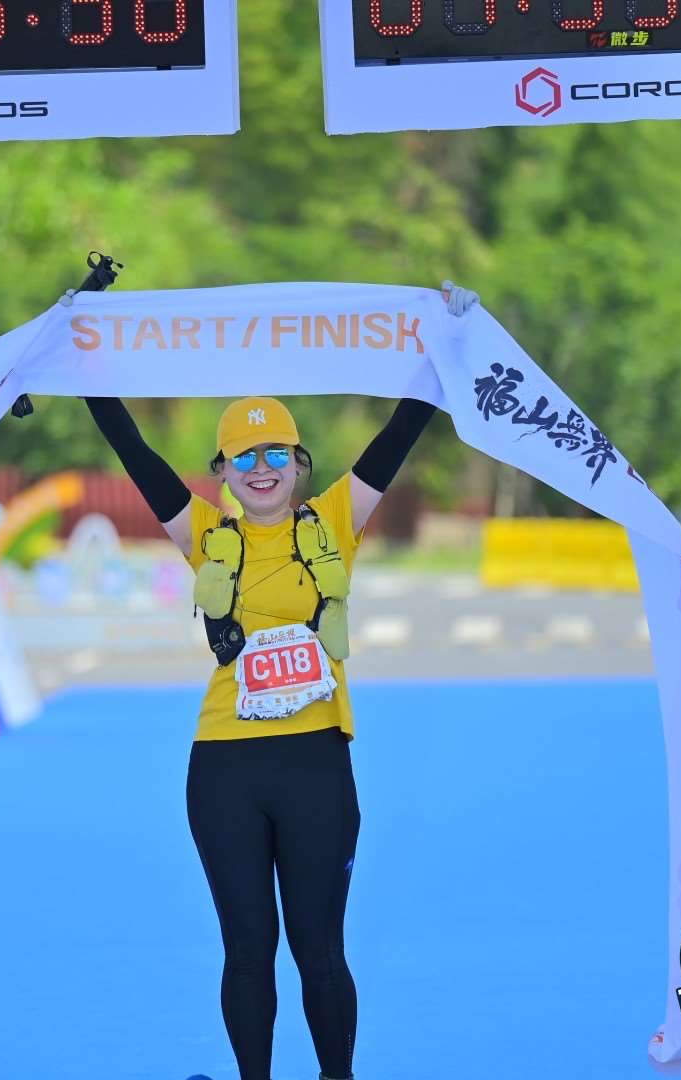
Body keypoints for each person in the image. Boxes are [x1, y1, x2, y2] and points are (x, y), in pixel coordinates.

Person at [79, 283, 478, 1080]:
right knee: (247, 949)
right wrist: (80, 347)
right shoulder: (204, 532)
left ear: (299, 464)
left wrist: (451, 336)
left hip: (316, 762)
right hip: (224, 766)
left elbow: (402, 430)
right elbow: (133, 452)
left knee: (320, 949)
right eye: (244, 456)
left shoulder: (332, 521)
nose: (261, 469)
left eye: (276, 454)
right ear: (223, 471)